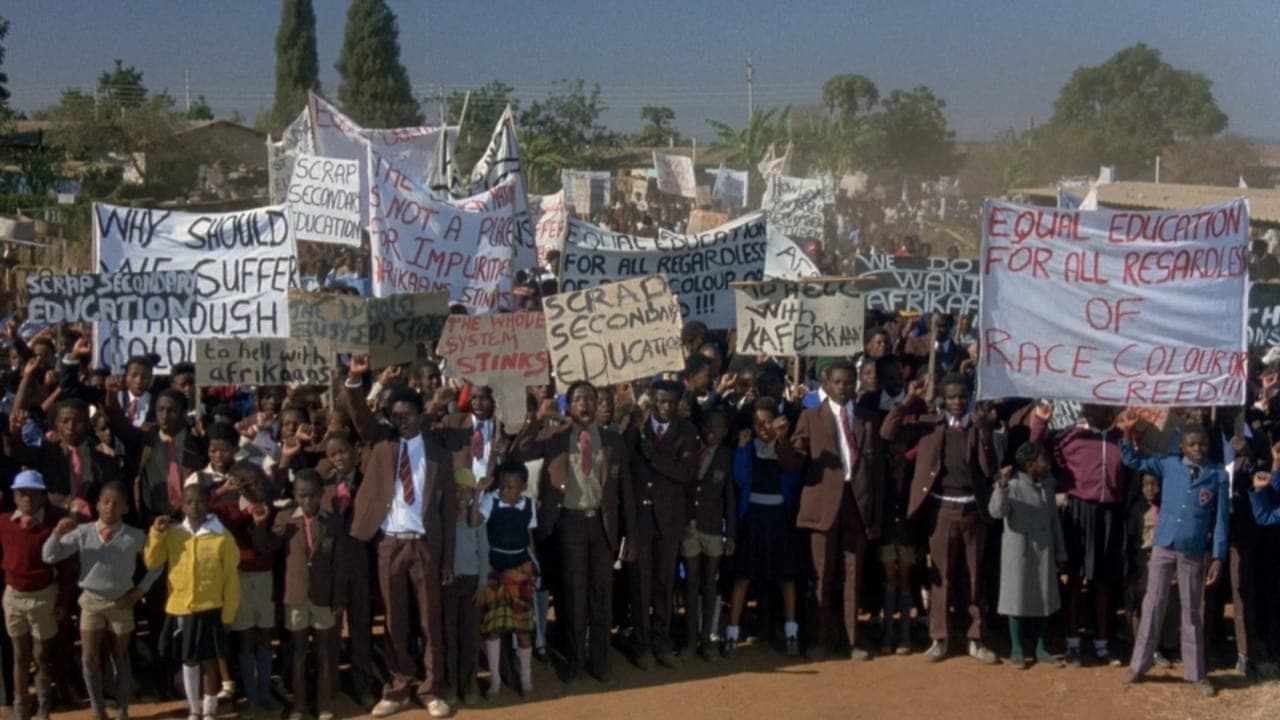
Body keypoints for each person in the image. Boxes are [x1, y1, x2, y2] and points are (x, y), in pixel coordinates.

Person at [343, 356, 456, 719]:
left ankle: (432, 689)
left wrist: (447, 559)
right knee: (394, 621)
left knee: (429, 620)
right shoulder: (381, 443)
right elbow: (360, 414)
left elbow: (448, 512)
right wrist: (355, 379)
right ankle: (397, 688)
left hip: (424, 545)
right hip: (389, 543)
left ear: (421, 415)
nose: (401, 420)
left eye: (408, 414)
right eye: (395, 415)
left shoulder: (438, 453)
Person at [512, 381, 633, 686]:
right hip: (569, 526)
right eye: (578, 399)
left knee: (601, 597)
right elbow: (520, 451)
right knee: (573, 597)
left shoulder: (612, 440)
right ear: (569, 406)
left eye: (590, 398)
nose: (585, 404)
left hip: (602, 527)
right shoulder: (555, 436)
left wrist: (628, 534)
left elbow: (625, 490)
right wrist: (537, 419)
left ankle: (601, 662)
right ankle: (575, 663)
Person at [882, 374, 998, 664]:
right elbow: (888, 431)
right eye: (952, 397)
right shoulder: (929, 424)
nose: (957, 402)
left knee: (972, 576)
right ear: (942, 400)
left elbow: (989, 469)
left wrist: (984, 431)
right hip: (941, 510)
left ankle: (974, 638)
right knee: (941, 576)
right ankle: (940, 638)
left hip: (973, 511)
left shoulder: (977, 427)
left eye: (962, 397)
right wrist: (909, 400)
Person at [1118, 419, 1229, 698]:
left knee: (1191, 610)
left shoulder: (1216, 476)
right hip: (1164, 544)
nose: (1198, 449)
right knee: (1153, 603)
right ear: (1181, 447)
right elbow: (1132, 459)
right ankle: (1138, 665)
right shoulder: (1168, 465)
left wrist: (1218, 556)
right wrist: (1127, 433)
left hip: (1192, 550)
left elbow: (1220, 521)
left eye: (1202, 444)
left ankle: (1195, 673)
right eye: (1192, 444)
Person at [784, 360, 883, 661]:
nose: (843, 387)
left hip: (857, 504)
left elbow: (877, 473)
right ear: (826, 384)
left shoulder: (868, 419)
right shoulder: (810, 417)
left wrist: (874, 515)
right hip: (823, 504)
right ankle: (818, 639)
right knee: (821, 575)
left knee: (853, 575)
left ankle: (852, 640)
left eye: (848, 382)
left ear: (855, 384)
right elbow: (793, 462)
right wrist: (781, 440)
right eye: (837, 382)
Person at [43, 481, 159, 720]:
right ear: (97, 505)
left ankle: (122, 710)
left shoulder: (134, 536)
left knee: (121, 656)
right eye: (105, 502)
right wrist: (56, 534)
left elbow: (157, 564)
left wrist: (140, 591)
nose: (110, 507)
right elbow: (49, 555)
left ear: (125, 508)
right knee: (89, 657)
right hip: (91, 602)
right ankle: (98, 711)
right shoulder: (83, 533)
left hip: (121, 603)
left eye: (116, 504)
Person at [1028, 402, 1127, 667]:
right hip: (1079, 511)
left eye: (1098, 408)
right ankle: (1072, 642)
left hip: (1111, 512)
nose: (1090, 412)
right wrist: (1040, 421)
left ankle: (1101, 643)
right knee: (1074, 577)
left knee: (1103, 580)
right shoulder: (1071, 435)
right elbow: (1036, 451)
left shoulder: (1121, 437)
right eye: (1088, 408)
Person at [144, 483, 242, 720]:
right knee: (189, 660)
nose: (194, 506)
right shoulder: (173, 533)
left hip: (210, 608)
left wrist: (228, 614)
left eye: (200, 502)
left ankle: (209, 708)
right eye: (189, 502)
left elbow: (231, 579)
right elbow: (152, 562)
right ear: (181, 505)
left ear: (209, 504)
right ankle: (194, 709)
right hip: (180, 609)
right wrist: (156, 533)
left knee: (209, 660)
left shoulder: (221, 536)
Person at [253, 470, 344, 720]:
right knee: (298, 652)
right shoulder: (285, 519)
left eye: (313, 496)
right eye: (303, 496)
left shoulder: (332, 522)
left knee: (324, 651)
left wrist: (338, 597)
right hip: (295, 596)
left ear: (321, 494)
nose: (308, 501)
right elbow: (266, 547)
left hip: (323, 596)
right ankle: (299, 706)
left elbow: (339, 563)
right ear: (294, 494)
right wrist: (260, 525)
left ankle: (324, 704)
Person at [626, 374, 698, 669]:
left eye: (672, 402)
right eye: (662, 402)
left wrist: (654, 457)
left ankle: (662, 641)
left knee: (664, 583)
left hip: (669, 519)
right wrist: (632, 427)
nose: (667, 407)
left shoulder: (687, 431)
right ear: (652, 402)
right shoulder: (637, 429)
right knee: (641, 584)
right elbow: (625, 466)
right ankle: (642, 644)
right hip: (641, 518)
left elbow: (685, 473)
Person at [724, 399, 803, 658]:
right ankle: (731, 635)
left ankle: (791, 633)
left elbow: (793, 471)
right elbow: (739, 479)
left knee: (786, 577)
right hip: (752, 518)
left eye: (768, 422)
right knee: (743, 577)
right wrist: (741, 449)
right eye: (758, 424)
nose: (764, 428)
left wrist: (783, 440)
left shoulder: (785, 445)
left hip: (779, 518)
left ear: (778, 421)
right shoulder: (748, 448)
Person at [0, 470, 74, 720]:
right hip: (14, 595)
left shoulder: (54, 525)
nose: (27, 499)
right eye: (22, 494)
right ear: (14, 496)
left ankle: (44, 706)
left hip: (43, 595)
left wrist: (63, 599)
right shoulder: (4, 522)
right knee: (19, 654)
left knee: (41, 653)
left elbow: (65, 567)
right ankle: (20, 705)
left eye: (33, 494)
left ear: (43, 496)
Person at [988, 444, 1067, 669]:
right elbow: (996, 511)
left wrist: (1060, 551)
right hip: (1018, 552)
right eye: (1043, 459)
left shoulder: (1046, 486)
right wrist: (1001, 485)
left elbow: (1054, 521)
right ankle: (1017, 648)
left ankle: (1041, 648)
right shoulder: (1011, 486)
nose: (1047, 463)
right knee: (1016, 599)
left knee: (1044, 598)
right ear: (1031, 464)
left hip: (1043, 549)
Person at [213, 461, 278, 717]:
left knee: (264, 636)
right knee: (245, 639)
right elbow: (200, 506)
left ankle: (264, 693)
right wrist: (221, 490)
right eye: (249, 484)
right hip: (239, 577)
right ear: (238, 486)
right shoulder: (227, 509)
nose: (257, 488)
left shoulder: (270, 508)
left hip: (264, 576)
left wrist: (260, 524)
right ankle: (251, 698)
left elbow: (266, 546)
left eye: (259, 481)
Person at [319, 430, 375, 708]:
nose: (338, 458)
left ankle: (363, 685)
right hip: (331, 569)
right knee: (331, 630)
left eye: (342, 451)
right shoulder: (323, 486)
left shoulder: (368, 482)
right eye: (332, 454)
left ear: (355, 451)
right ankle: (331, 687)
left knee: (361, 628)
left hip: (360, 565)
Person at [480, 460, 539, 697]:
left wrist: (534, 566)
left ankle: (526, 679)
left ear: (523, 487)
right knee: (493, 628)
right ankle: (495, 680)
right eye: (502, 486)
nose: (505, 490)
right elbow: (477, 525)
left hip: (520, 569)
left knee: (523, 628)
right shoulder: (490, 501)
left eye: (511, 487)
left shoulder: (529, 506)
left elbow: (529, 537)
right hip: (494, 568)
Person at [682, 408, 735, 661]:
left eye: (717, 427)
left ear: (725, 432)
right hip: (690, 525)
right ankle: (690, 640)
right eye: (707, 426)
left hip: (713, 527)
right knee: (691, 582)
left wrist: (731, 533)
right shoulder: (691, 450)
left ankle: (706, 638)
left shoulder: (726, 456)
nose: (711, 431)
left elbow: (730, 497)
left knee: (710, 582)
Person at [441, 468, 487, 706]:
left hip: (471, 583)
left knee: (469, 636)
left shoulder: (477, 519)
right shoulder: (444, 520)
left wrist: (482, 584)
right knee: (448, 636)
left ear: (472, 493)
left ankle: (469, 684)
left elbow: (484, 554)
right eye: (456, 489)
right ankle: (450, 685)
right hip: (449, 584)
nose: (460, 494)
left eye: (466, 490)